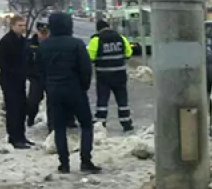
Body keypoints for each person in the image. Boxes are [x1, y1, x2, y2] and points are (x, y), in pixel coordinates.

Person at [38, 12, 102, 174]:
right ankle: (86, 160)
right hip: (75, 89)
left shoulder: (44, 45)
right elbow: (86, 69)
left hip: (54, 91)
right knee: (86, 124)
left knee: (59, 127)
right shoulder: (76, 44)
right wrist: (83, 87)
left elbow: (39, 70)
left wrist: (48, 86)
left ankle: (64, 163)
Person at [26, 22, 77, 130]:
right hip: (36, 78)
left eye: (46, 32)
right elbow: (25, 60)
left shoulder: (53, 44)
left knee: (53, 102)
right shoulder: (30, 44)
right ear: (38, 32)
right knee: (33, 100)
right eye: (42, 32)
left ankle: (52, 126)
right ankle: (30, 118)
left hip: (51, 77)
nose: (44, 35)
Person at [87, 20, 134, 132]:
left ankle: (101, 122)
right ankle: (126, 122)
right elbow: (128, 53)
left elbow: (90, 56)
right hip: (120, 75)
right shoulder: (121, 38)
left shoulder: (96, 40)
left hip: (104, 76)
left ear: (98, 29)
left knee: (102, 100)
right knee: (122, 100)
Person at [0, 14, 32, 149]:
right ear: (12, 26)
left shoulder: (22, 40)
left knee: (22, 108)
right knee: (13, 109)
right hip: (9, 80)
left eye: (24, 26)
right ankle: (14, 138)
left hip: (20, 80)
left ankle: (21, 136)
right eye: (19, 26)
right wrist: (12, 71)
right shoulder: (6, 41)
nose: (22, 28)